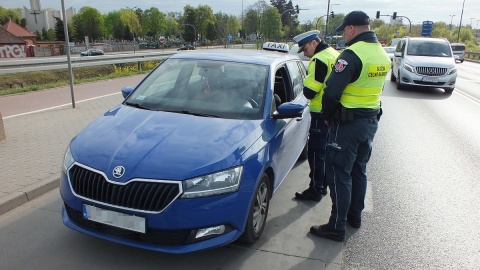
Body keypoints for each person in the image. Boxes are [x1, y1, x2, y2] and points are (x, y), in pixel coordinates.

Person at [309, 11, 391, 241]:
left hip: (346, 126)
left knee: (338, 174)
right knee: (358, 171)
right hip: (370, 122)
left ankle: (336, 226)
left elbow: (331, 91)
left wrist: (326, 115)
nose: (344, 35)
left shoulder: (351, 55)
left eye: (344, 30)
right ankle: (355, 217)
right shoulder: (382, 54)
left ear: (352, 28)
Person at [292, 30, 340, 202]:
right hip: (334, 112)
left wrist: (304, 85)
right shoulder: (334, 54)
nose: (305, 53)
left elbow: (311, 91)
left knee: (316, 153)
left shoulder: (319, 59)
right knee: (325, 153)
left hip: (320, 114)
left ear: (313, 42)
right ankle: (323, 186)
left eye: (305, 49)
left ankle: (316, 190)